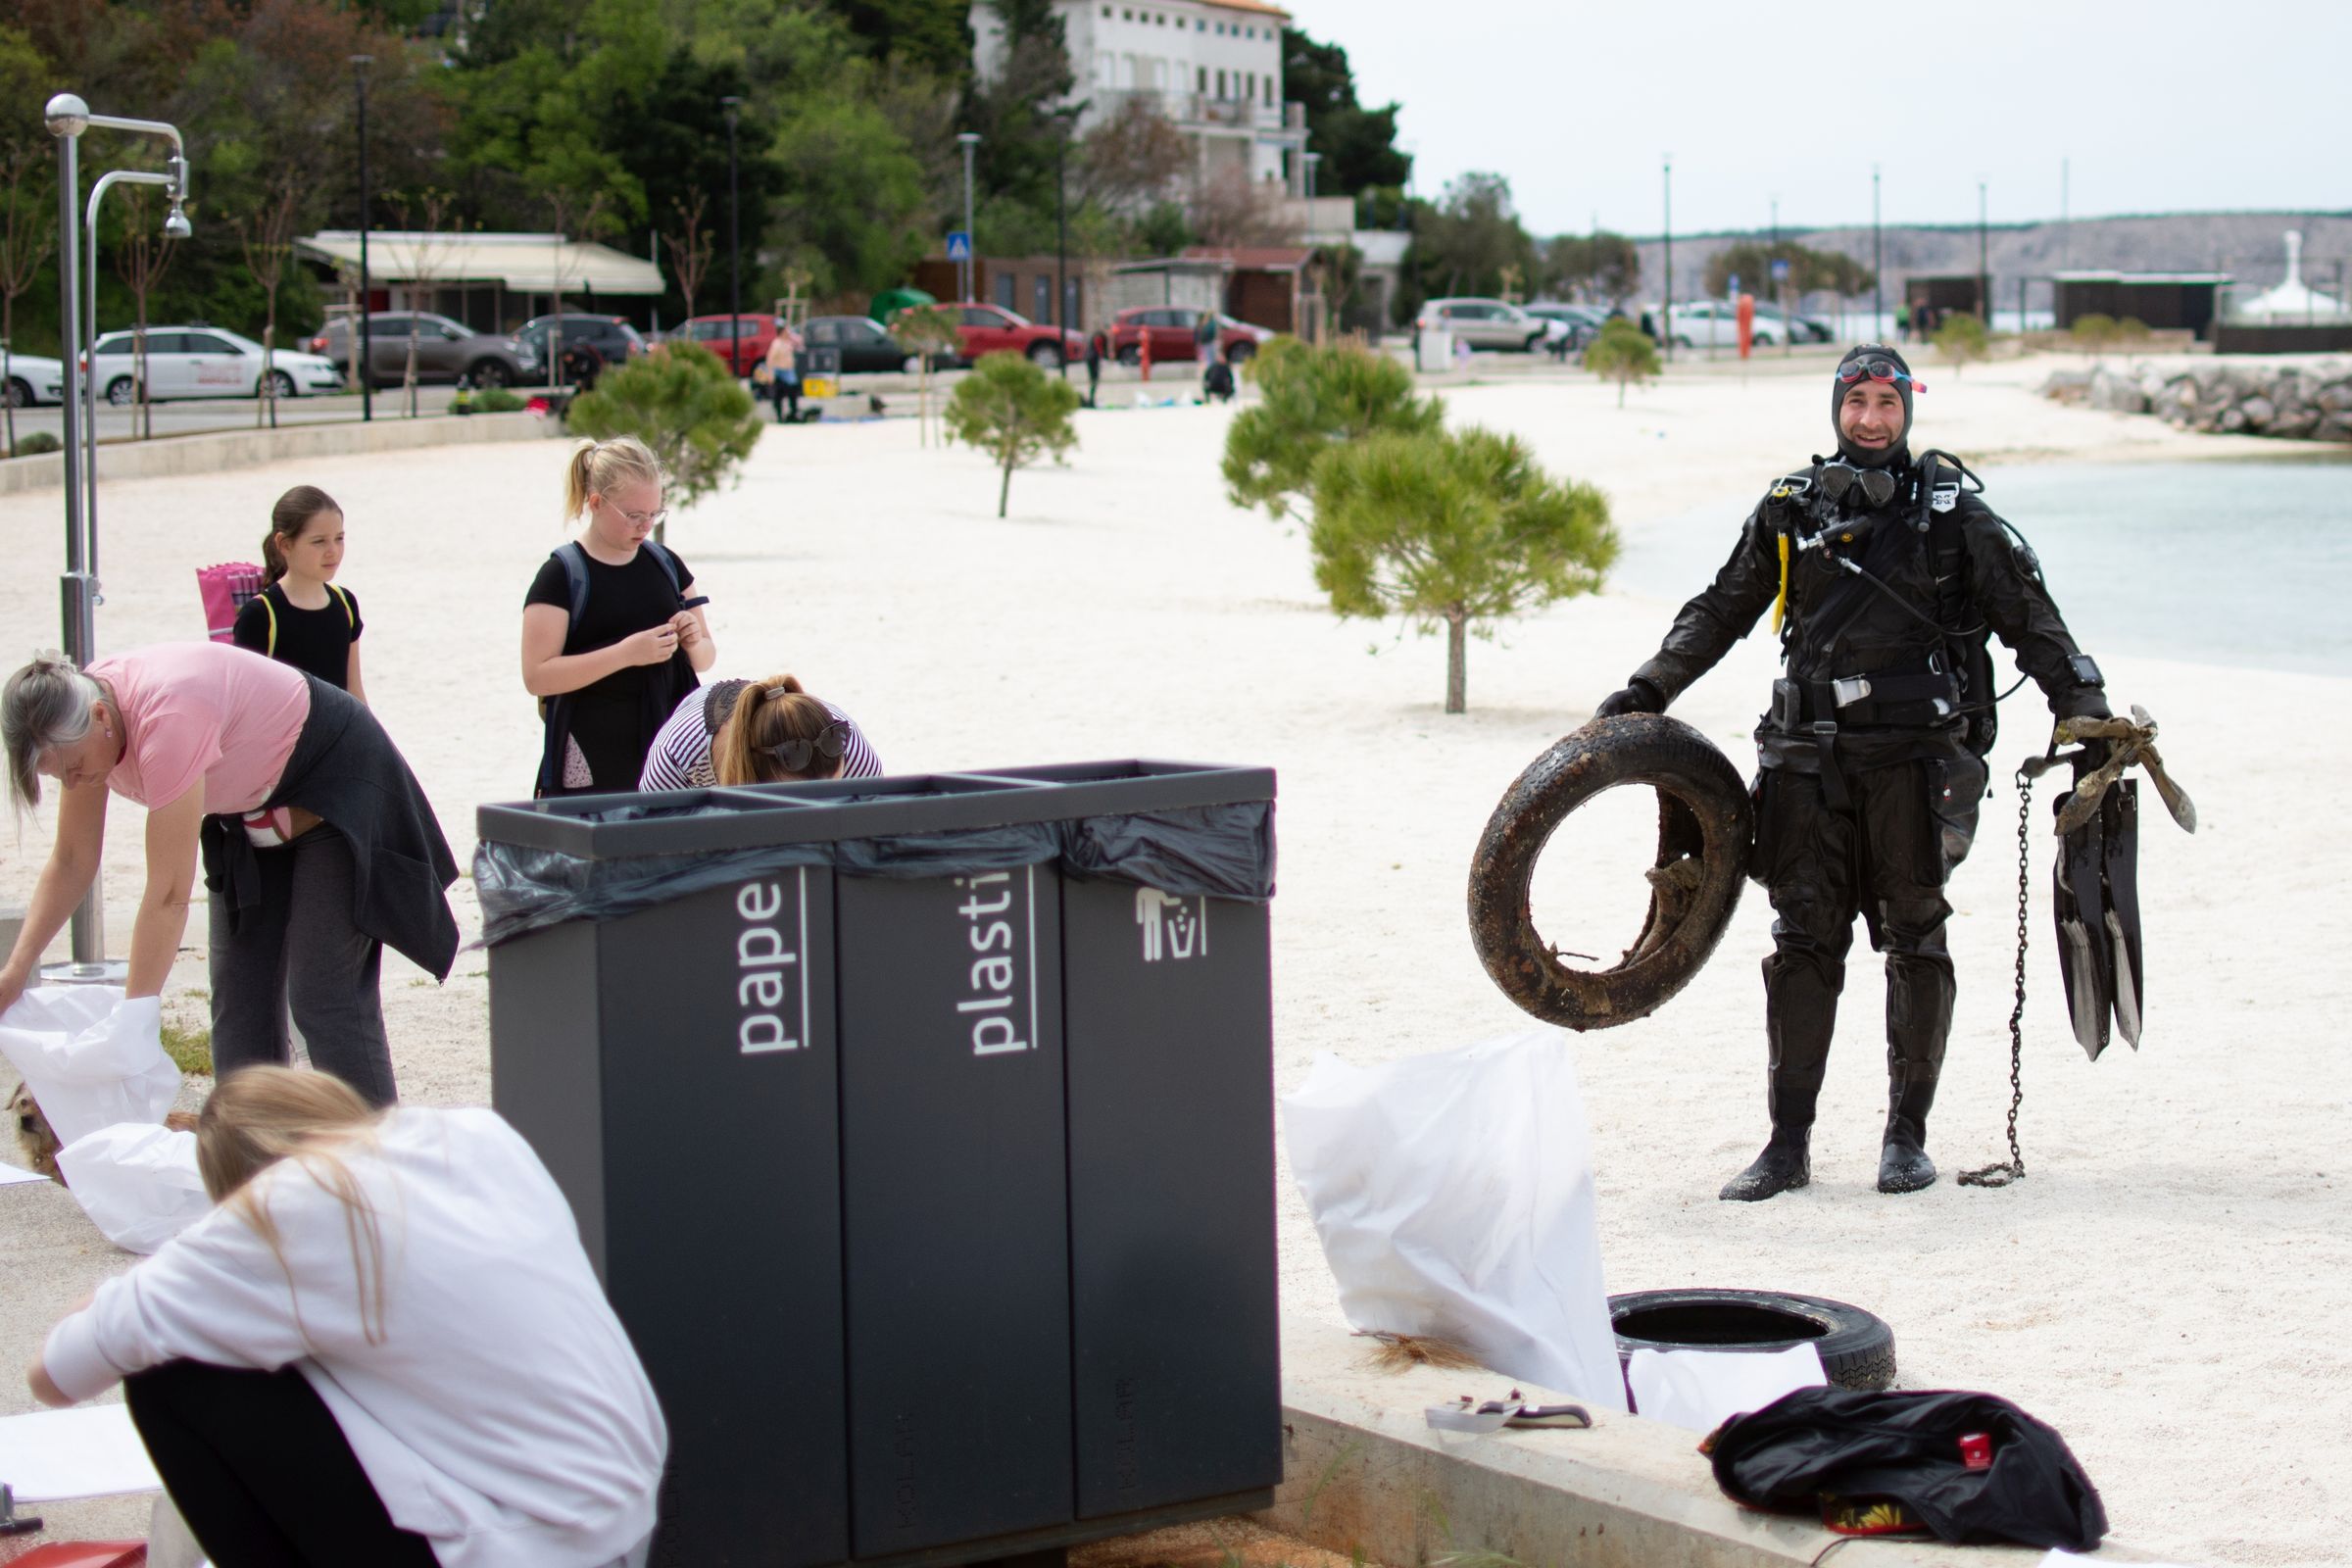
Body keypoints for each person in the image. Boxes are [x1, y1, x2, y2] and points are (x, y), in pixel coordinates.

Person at [1592, 344, 2113, 1201]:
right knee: (1802, 946)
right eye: (1856, 401)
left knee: (1914, 939)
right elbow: (1723, 609)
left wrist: (2083, 705)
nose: (1871, 418)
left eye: (1886, 402)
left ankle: (1905, 1139)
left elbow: (2034, 624)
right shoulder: (1791, 508)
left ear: (1909, 409)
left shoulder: (1956, 520)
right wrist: (1648, 689)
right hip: (1805, 765)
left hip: (1912, 765)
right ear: (1835, 408)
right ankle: (1787, 1144)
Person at [25, 1065, 666, 1568]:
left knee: (171, 1373)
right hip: (624, 1518)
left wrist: (160, 1282)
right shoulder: (473, 1134)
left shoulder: (277, 1215)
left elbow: (56, 1373)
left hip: (522, 1548)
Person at [0, 646, 459, 1105]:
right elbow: (72, 859)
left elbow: (168, 895)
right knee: (240, 1004)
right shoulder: (85, 719)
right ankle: (256, 1164)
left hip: (334, 784)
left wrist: (134, 1018)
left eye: (75, 769)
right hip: (250, 809)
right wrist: (16, 971)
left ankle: (377, 1160)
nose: (75, 785)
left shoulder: (167, 717)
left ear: (101, 715)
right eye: (60, 777)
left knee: (323, 994)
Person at [521, 437, 716, 796]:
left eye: (654, 514)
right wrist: (625, 655)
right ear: (596, 503)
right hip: (593, 758)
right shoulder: (562, 575)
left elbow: (705, 658)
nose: (644, 526)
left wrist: (692, 639)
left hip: (671, 751)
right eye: (633, 515)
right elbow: (537, 677)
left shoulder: (666, 563)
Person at [638, 673, 883, 792]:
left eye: (832, 792)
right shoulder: (675, 758)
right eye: (803, 798)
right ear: (755, 774)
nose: (819, 805)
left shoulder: (850, 748)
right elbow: (658, 858)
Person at [232, 484, 366, 700]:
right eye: (319, 541)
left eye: (339, 538)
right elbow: (246, 702)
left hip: (339, 733)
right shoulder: (260, 615)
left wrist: (371, 733)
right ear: (284, 544)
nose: (333, 551)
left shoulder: (345, 602)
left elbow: (354, 691)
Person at [763, 324, 801, 423]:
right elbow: (770, 359)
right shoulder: (777, 344)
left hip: (789, 371)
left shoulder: (787, 342)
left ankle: (793, 413)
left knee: (793, 393)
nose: (788, 333)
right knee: (778, 395)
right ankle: (780, 416)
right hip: (780, 372)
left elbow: (799, 343)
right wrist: (770, 373)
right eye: (786, 332)